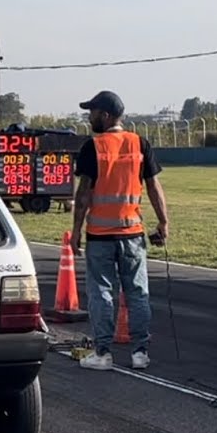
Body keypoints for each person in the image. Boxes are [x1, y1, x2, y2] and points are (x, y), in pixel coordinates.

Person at [69, 90, 170, 371]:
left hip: (100, 235)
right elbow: (154, 186)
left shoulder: (93, 146)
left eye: (92, 112)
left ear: (105, 115)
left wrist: (76, 230)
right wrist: (163, 221)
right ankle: (140, 352)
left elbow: (84, 193)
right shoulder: (140, 143)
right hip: (132, 233)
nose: (89, 117)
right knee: (137, 293)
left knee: (101, 292)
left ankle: (102, 353)